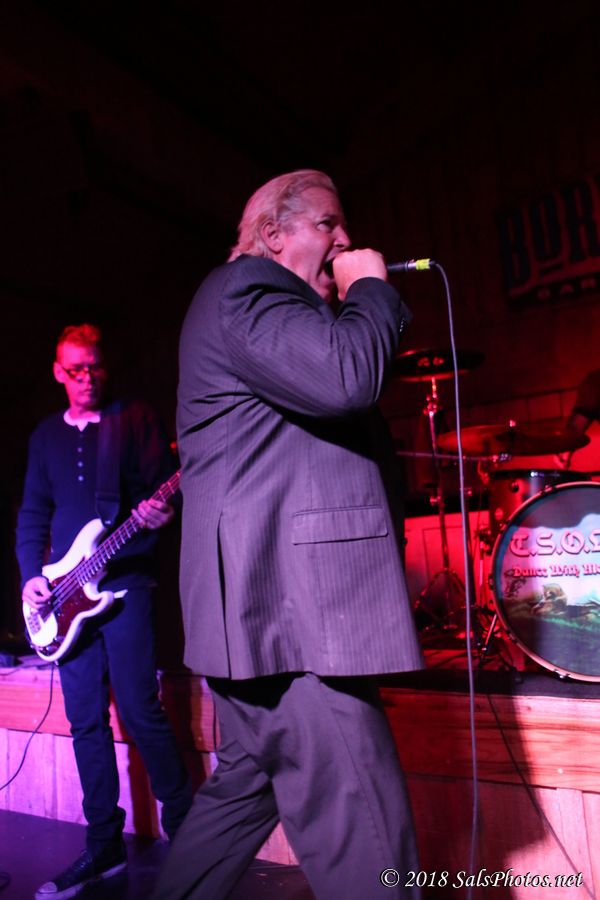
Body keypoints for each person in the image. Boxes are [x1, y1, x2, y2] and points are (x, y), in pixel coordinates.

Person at [154, 169, 423, 900]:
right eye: (327, 224)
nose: (346, 239)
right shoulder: (249, 290)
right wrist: (372, 290)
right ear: (273, 235)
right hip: (289, 622)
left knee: (243, 794)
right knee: (368, 840)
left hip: (268, 619)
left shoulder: (272, 311)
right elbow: (346, 377)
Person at [16, 324, 193, 899]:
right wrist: (32, 577)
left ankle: (188, 832)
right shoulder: (45, 437)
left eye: (94, 366)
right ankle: (103, 845)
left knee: (141, 710)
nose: (87, 377)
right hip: (66, 597)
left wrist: (160, 518)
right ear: (58, 372)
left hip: (126, 586)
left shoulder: (133, 419)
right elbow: (33, 514)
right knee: (86, 721)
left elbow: (159, 495)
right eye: (75, 370)